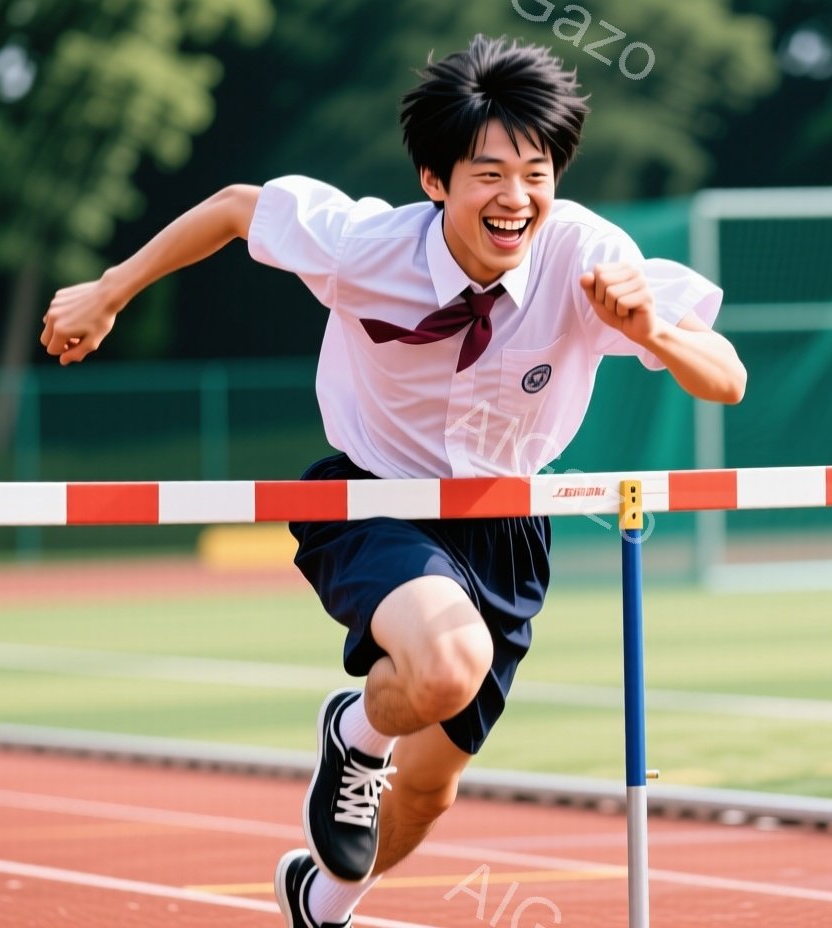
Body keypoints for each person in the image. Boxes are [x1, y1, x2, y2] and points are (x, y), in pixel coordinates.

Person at [39, 35, 746, 928]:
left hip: (505, 524)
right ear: (434, 180)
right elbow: (231, 208)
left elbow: (727, 378)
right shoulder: (366, 244)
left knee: (430, 793)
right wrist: (109, 290)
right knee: (449, 665)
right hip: (371, 501)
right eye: (488, 173)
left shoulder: (590, 256)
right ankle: (356, 734)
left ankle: (321, 904)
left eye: (536, 173)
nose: (515, 198)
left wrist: (655, 331)